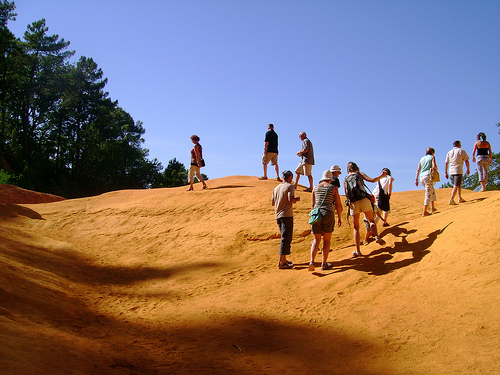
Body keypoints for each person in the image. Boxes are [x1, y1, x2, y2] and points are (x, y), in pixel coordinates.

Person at [343, 162, 386, 257]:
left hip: (354, 203)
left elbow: (347, 195)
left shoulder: (345, 179)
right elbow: (373, 180)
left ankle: (358, 250)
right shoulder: (360, 174)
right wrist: (382, 176)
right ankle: (377, 236)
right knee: (371, 220)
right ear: (356, 167)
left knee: (356, 227)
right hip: (364, 200)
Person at [308, 170, 342, 271]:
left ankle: (312, 261)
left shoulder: (315, 188)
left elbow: (313, 205)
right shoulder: (333, 188)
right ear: (330, 179)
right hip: (328, 213)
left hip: (316, 214)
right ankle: (324, 264)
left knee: (316, 240)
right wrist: (340, 217)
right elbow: (338, 204)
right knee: (326, 240)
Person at [271, 170, 301, 269]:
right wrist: (296, 199)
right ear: (289, 177)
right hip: (286, 215)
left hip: (278, 216)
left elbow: (272, 203)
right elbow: (290, 199)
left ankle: (283, 259)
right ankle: (281, 262)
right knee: (286, 238)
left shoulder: (276, 188)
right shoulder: (289, 186)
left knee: (284, 237)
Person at [444, 140, 470, 205]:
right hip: (458, 170)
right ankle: (451, 199)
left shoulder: (449, 152)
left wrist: (446, 172)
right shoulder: (461, 151)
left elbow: (446, 163)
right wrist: (468, 169)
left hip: (451, 170)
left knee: (459, 184)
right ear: (459, 144)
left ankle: (460, 198)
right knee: (456, 185)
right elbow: (466, 160)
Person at [415, 147, 438, 216]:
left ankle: (432, 207)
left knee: (432, 190)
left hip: (421, 177)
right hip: (428, 176)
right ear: (432, 152)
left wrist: (416, 179)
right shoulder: (432, 157)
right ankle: (425, 211)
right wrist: (435, 172)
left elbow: (418, 169)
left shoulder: (422, 159)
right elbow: (434, 166)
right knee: (428, 193)